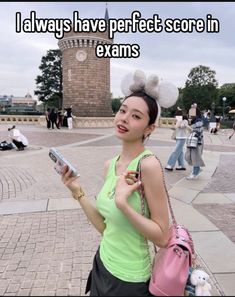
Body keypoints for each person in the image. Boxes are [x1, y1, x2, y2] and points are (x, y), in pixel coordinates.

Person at [59, 70, 178, 296]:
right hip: (102, 264)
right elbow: (106, 228)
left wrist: (124, 204)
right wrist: (78, 192)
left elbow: (163, 236)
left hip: (129, 280)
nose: (123, 118)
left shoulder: (148, 166)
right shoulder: (110, 164)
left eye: (136, 116)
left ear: (150, 128)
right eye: (122, 110)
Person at [185, 108, 205, 180]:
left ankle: (194, 173)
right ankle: (197, 170)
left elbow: (198, 131)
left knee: (195, 157)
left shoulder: (198, 121)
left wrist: (187, 127)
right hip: (194, 141)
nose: (190, 113)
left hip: (197, 141)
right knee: (191, 156)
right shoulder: (194, 120)